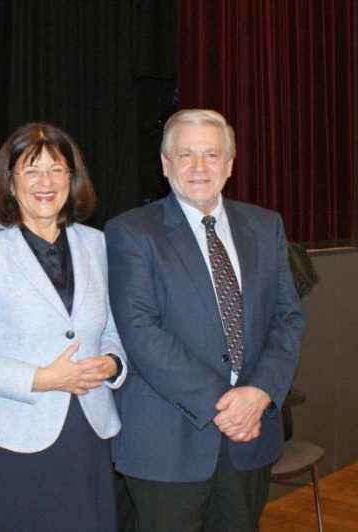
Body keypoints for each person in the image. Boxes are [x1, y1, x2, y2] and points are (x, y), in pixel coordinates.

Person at [105, 109, 304, 531]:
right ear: (165, 163)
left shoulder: (265, 227)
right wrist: (224, 405)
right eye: (186, 155)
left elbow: (287, 319)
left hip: (248, 438)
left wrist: (261, 393)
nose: (199, 167)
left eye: (211, 155)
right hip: (166, 446)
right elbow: (141, 332)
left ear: (230, 164)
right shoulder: (132, 232)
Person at [0, 123, 127, 532]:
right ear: (10, 183)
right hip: (17, 438)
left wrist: (112, 364)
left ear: (72, 178)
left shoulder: (97, 244)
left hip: (89, 431)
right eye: (31, 170)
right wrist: (42, 378)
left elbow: (114, 333)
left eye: (56, 169)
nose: (45, 182)